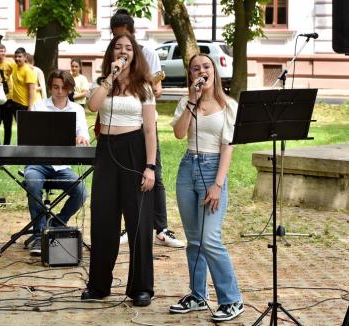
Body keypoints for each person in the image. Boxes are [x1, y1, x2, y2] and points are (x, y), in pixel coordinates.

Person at [81, 33, 156, 307]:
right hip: (107, 152)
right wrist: (110, 79)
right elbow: (92, 106)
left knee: (138, 221)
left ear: (134, 55)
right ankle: (99, 285)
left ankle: (140, 287)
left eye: (128, 48)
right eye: (118, 48)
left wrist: (150, 166)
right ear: (111, 55)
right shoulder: (103, 83)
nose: (123, 52)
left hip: (134, 150)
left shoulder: (143, 87)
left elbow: (150, 130)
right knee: (103, 219)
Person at [168, 53, 243, 322]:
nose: (201, 70)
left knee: (210, 239)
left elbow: (228, 147)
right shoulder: (186, 102)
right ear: (191, 75)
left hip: (213, 170)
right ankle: (198, 296)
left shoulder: (228, 106)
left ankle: (232, 299)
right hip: (187, 169)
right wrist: (191, 100)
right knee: (195, 241)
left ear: (214, 71)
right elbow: (179, 134)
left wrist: (218, 185)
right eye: (195, 68)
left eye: (206, 66)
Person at [110, 9, 184, 248]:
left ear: (132, 34)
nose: (121, 48)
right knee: (124, 176)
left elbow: (158, 88)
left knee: (155, 173)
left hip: (144, 121)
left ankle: (161, 228)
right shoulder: (110, 57)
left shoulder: (147, 53)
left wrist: (145, 89)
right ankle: (126, 227)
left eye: (124, 39)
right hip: (120, 125)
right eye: (115, 39)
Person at [25, 70, 89, 256]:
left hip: (62, 165)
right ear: (50, 87)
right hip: (38, 163)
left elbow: (85, 136)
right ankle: (39, 235)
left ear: (70, 89)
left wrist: (81, 138)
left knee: (81, 191)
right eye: (55, 87)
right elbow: (29, 137)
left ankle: (54, 224)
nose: (60, 91)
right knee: (32, 181)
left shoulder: (77, 109)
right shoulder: (39, 106)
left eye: (64, 88)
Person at [0, 43, 16, 145]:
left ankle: (6, 145)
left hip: (8, 98)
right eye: (1, 51)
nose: (3, 53)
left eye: (4, 51)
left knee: (8, 124)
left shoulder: (9, 63)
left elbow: (18, 69)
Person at [11, 47, 37, 116]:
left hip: (24, 105)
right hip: (15, 102)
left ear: (25, 57)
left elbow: (31, 90)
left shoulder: (28, 71)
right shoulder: (14, 66)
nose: (17, 58)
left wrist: (30, 107)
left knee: (25, 126)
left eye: (20, 57)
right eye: (16, 56)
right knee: (19, 125)